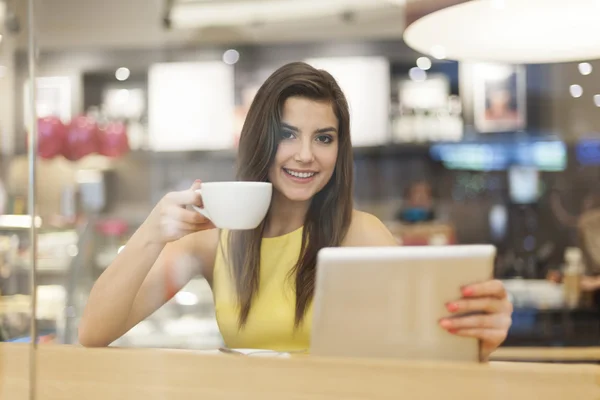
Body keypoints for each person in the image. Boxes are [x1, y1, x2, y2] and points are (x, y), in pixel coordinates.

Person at [79, 62, 512, 360]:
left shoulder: (360, 235)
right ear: (260, 140)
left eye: (324, 138)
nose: (306, 155)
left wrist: (482, 336)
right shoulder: (212, 239)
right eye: (288, 135)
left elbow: (427, 347)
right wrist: (153, 231)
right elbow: (94, 332)